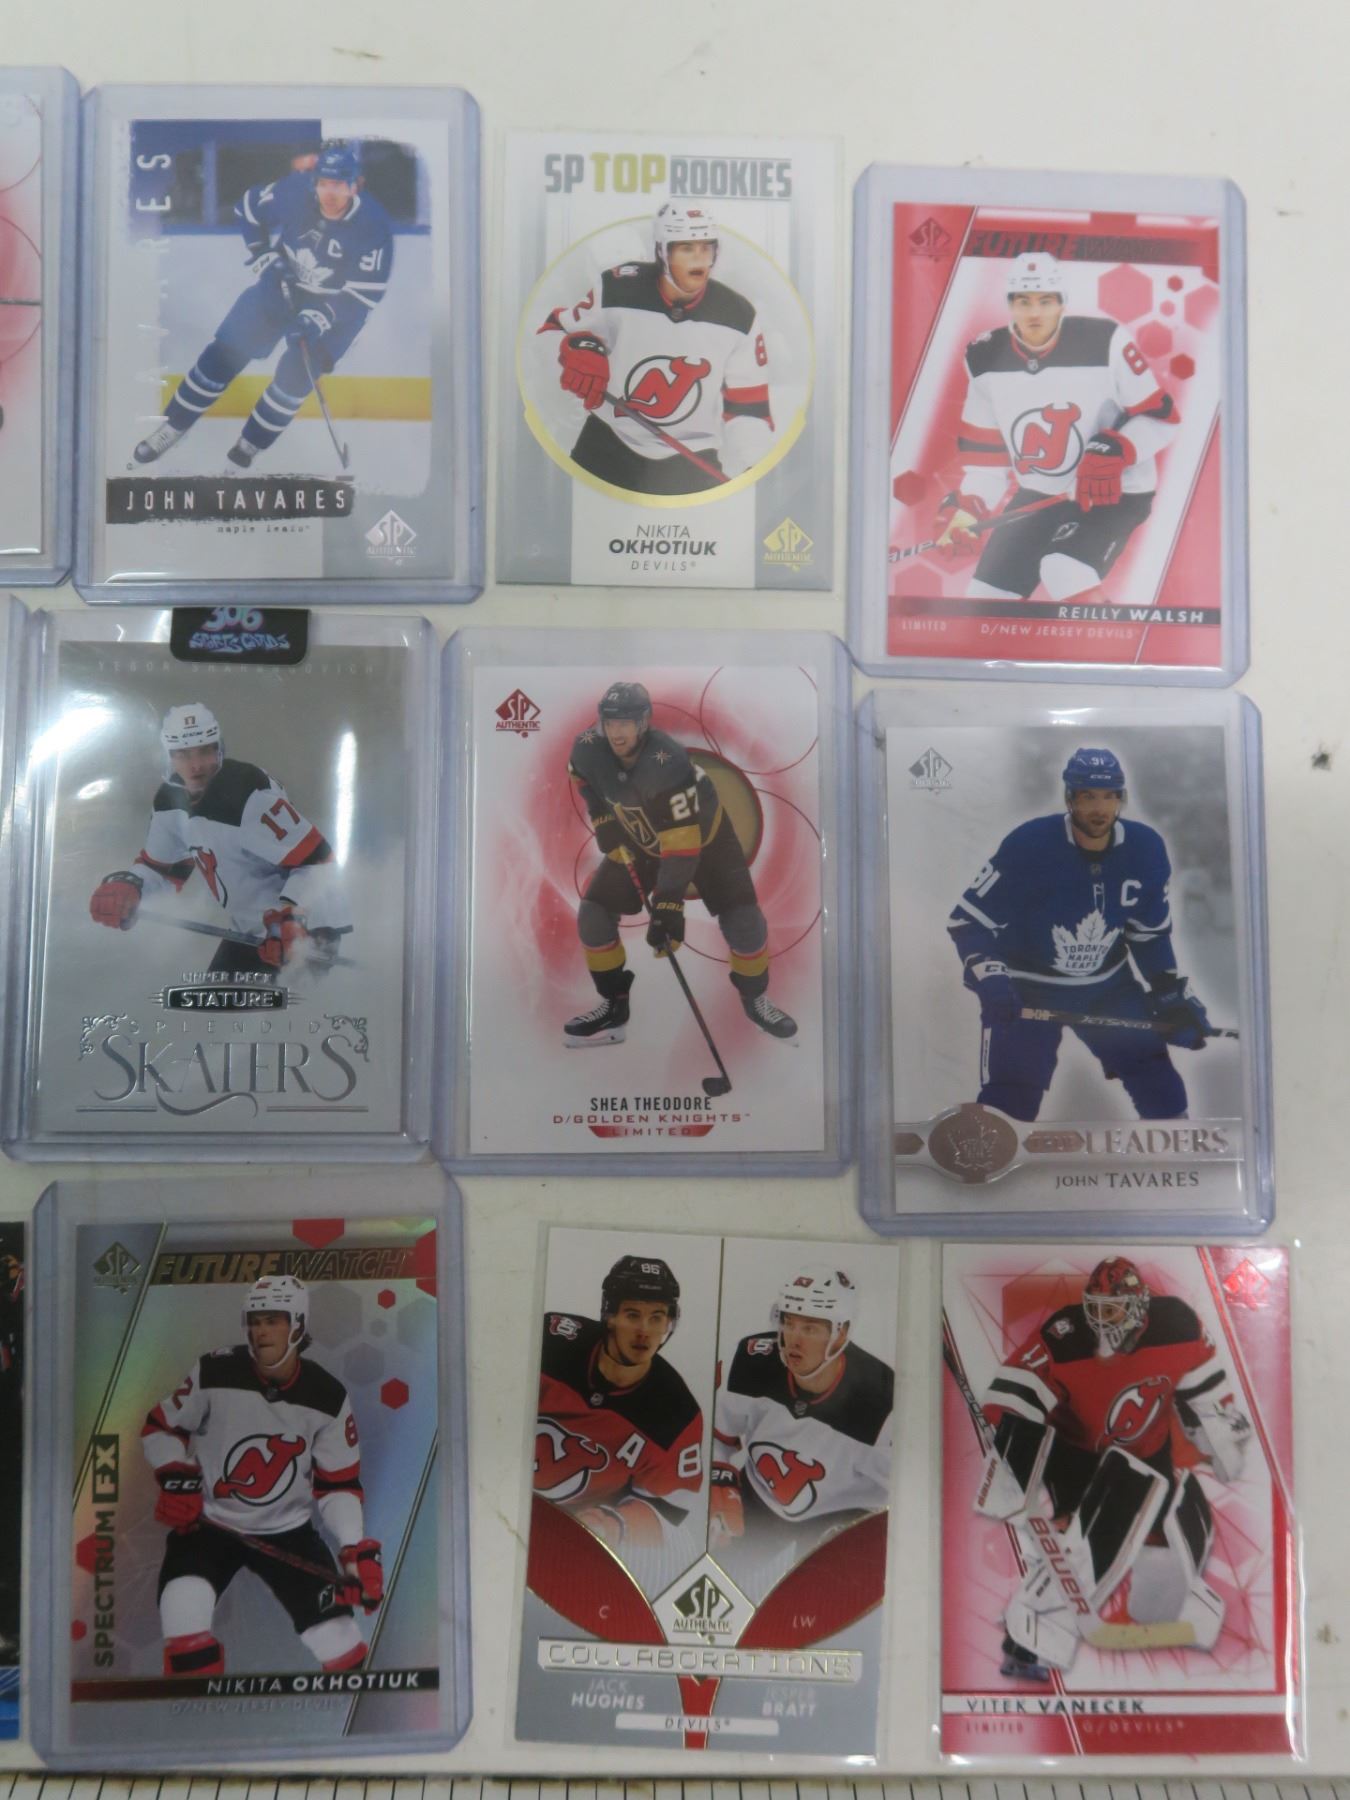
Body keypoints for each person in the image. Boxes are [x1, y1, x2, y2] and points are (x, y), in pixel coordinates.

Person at [975, 1255, 1251, 1679]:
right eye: (1095, 1308)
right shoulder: (1065, 1334)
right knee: (1090, 1543)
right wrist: (1011, 1458)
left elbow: (1207, 1396)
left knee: (1172, 1553)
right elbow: (1014, 1397)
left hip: (1150, 1454)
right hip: (1077, 1457)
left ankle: (1163, 1610)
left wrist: (1221, 1441)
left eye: (1113, 1310)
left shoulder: (1177, 1324)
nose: (1100, 1321)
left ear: (1139, 1305)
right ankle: (1031, 1641)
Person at [947, 746, 1212, 1121]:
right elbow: (968, 921)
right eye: (1088, 796)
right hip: (1028, 988)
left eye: (1109, 796)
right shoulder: (1029, 844)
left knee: (1158, 1083)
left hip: (1106, 988)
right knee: (1012, 1096)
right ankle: (996, 1152)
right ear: (1070, 798)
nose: (1099, 808)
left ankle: (1176, 1150)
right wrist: (990, 975)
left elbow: (1148, 934)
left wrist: (1169, 992)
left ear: (1121, 799)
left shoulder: (1146, 849)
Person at [140, 1275, 383, 1677]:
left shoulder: (328, 1396)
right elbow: (161, 1427)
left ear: (298, 1326)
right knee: (185, 1631)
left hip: (289, 1533)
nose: (261, 1331)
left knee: (344, 1651)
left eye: (273, 1320)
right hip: (209, 1526)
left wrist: (353, 1549)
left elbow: (338, 1484)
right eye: (254, 1321)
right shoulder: (214, 1370)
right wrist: (174, 1474)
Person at [932, 251, 1178, 604]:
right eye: (1024, 301)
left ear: (1062, 303)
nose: (1034, 312)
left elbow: (1161, 417)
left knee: (1063, 570)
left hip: (1112, 492)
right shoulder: (984, 357)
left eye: (1045, 301)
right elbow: (986, 460)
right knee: (984, 600)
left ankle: (1107, 639)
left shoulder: (1104, 341)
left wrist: (1118, 449)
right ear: (1010, 304)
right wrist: (968, 509)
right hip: (1039, 495)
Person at [564, 680, 797, 1046]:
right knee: (593, 914)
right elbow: (580, 775)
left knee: (744, 921)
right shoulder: (588, 747)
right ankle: (614, 1003)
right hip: (642, 838)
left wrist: (668, 908)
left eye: (625, 723)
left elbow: (682, 844)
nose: (616, 732)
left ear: (643, 723)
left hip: (705, 840)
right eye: (610, 723)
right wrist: (603, 816)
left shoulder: (667, 760)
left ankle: (755, 999)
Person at [133, 142, 392, 470]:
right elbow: (248, 209)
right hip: (281, 286)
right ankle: (173, 427)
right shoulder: (294, 191)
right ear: (314, 182)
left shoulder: (373, 226)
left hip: (337, 311)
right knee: (223, 354)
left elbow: (362, 295)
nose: (330, 193)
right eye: (324, 183)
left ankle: (248, 446)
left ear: (355, 186)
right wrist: (263, 255)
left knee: (294, 379)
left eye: (339, 185)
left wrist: (319, 317)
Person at [88, 702, 349, 977]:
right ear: (168, 757)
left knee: (293, 1003)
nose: (196, 765)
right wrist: (132, 886)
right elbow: (164, 869)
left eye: (204, 750)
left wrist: (296, 917)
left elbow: (317, 861)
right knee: (216, 1002)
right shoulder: (169, 801)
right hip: (250, 931)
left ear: (219, 749)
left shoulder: (247, 792)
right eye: (182, 754)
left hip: (303, 932)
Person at [541, 201, 773, 494]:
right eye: (686, 248)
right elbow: (554, 330)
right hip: (609, 442)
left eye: (706, 248)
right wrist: (580, 347)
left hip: (692, 457)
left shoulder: (739, 315)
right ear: (662, 252)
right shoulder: (617, 289)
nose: (698, 258)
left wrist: (751, 468)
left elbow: (749, 407)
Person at [711, 1265, 892, 1560]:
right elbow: (717, 1434)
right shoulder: (748, 1361)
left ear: (841, 1333)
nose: (793, 1339)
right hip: (758, 1499)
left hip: (837, 1516)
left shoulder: (883, 1402)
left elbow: (906, 1493)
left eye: (810, 1328)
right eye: (789, 1322)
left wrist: (867, 1528)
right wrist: (721, 1478)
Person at [535, 1255, 704, 1551]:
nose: (644, 1331)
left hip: (572, 1542)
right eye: (632, 1315)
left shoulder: (678, 1414)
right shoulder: (550, 1343)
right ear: (609, 1314)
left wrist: (612, 1525)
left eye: (657, 1318)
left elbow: (667, 1511)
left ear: (669, 1322)